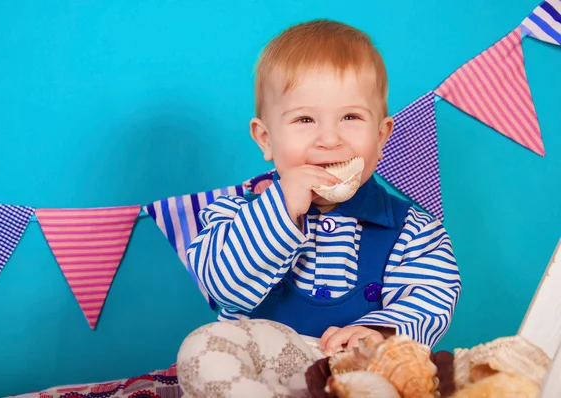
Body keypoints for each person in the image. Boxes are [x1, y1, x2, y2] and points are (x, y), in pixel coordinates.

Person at [185, 19, 461, 356]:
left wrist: (379, 332)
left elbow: (430, 300)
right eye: (304, 120)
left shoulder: (413, 232)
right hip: (258, 378)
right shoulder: (232, 214)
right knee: (199, 350)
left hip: (351, 381)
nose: (329, 140)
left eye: (350, 118)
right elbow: (223, 288)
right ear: (266, 139)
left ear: (380, 137)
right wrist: (280, 208)